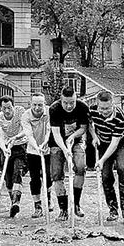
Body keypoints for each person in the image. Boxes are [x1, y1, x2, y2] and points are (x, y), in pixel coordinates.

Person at [49, 86, 90, 221]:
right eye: (65, 103)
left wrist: (72, 136)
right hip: (57, 143)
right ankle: (63, 209)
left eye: (72, 102)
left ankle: (76, 204)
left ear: (76, 98)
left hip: (76, 140)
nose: (69, 106)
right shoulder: (54, 109)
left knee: (80, 167)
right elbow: (55, 133)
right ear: (61, 100)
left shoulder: (82, 107)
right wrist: (65, 149)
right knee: (56, 174)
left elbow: (83, 128)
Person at [90, 91, 124, 221]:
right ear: (97, 105)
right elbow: (88, 123)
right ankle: (113, 209)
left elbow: (114, 144)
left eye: (107, 108)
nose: (104, 111)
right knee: (106, 176)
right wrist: (94, 136)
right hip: (102, 142)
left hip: (120, 144)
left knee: (121, 168)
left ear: (113, 104)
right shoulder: (92, 110)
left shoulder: (121, 117)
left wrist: (101, 160)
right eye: (101, 108)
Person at [0, 94, 28, 218]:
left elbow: (26, 129)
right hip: (6, 148)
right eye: (4, 108)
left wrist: (16, 137)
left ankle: (16, 201)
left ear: (13, 106)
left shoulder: (20, 112)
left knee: (17, 172)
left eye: (9, 107)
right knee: (8, 179)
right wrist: (4, 149)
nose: (7, 111)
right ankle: (12, 202)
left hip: (20, 145)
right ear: (1, 108)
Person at [21, 93, 53, 218]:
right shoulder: (26, 116)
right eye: (34, 104)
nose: (37, 108)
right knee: (34, 179)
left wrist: (45, 143)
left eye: (40, 105)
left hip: (47, 150)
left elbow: (49, 130)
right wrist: (36, 147)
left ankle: (49, 198)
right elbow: (28, 135)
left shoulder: (50, 112)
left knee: (48, 177)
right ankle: (37, 206)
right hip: (33, 151)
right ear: (30, 104)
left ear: (44, 104)